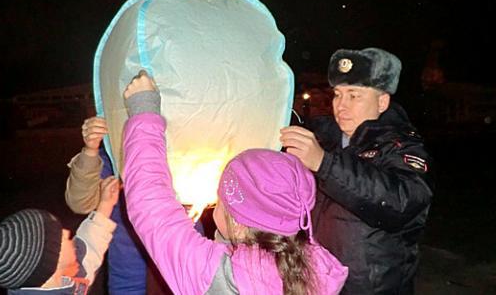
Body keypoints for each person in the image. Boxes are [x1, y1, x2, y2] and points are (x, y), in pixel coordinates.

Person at [120, 70, 348, 295]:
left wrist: (144, 110)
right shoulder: (319, 271)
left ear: (239, 226)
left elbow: (151, 206)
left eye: (221, 201)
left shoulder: (215, 276)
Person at [280, 47, 434, 294]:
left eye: (354, 96)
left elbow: (402, 202)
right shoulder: (321, 137)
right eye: (337, 95)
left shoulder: (401, 146)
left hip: (371, 288)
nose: (341, 105)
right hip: (319, 281)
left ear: (382, 101)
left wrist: (324, 164)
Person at [0, 177, 119, 294]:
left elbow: (88, 251)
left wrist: (105, 204)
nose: (67, 232)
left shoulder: (56, 276)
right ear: (53, 261)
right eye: (60, 237)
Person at [65, 116, 149, 294]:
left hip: (186, 274)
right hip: (128, 279)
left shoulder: (184, 155)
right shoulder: (113, 161)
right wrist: (90, 149)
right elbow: (80, 202)